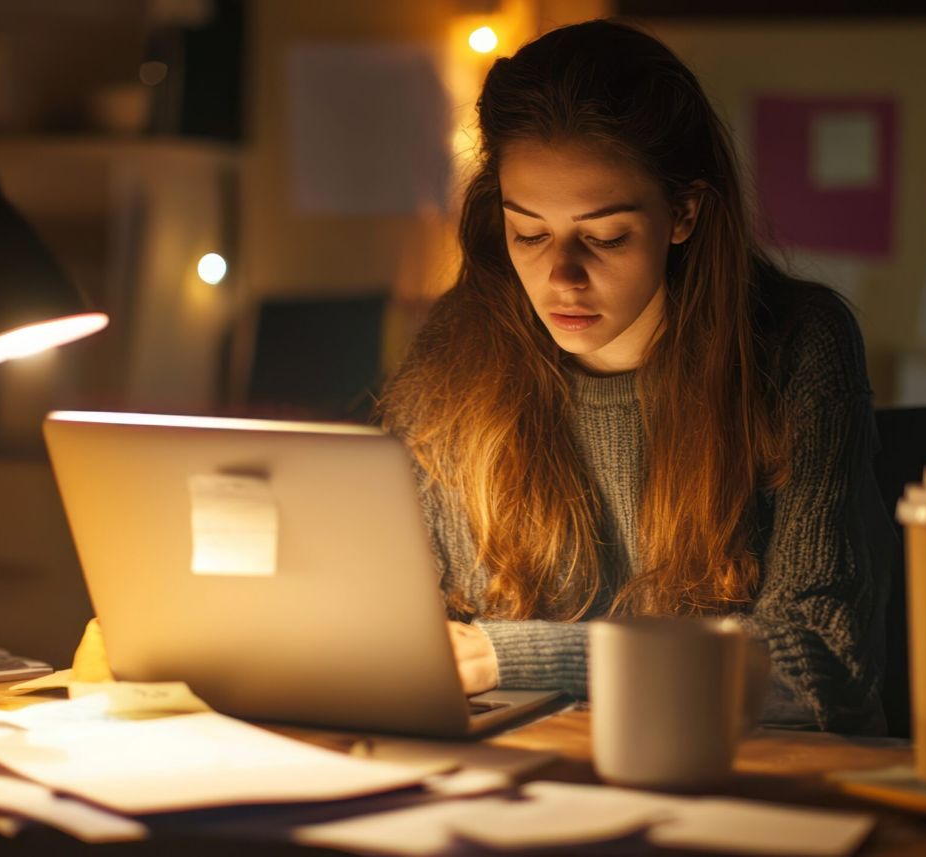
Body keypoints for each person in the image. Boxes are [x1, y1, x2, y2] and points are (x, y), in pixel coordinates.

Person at [377, 19, 896, 735]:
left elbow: (819, 664)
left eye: (605, 236)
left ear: (682, 213)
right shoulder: (453, 353)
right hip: (526, 782)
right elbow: (387, 613)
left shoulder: (798, 347)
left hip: (747, 785)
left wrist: (514, 655)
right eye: (528, 232)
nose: (561, 276)